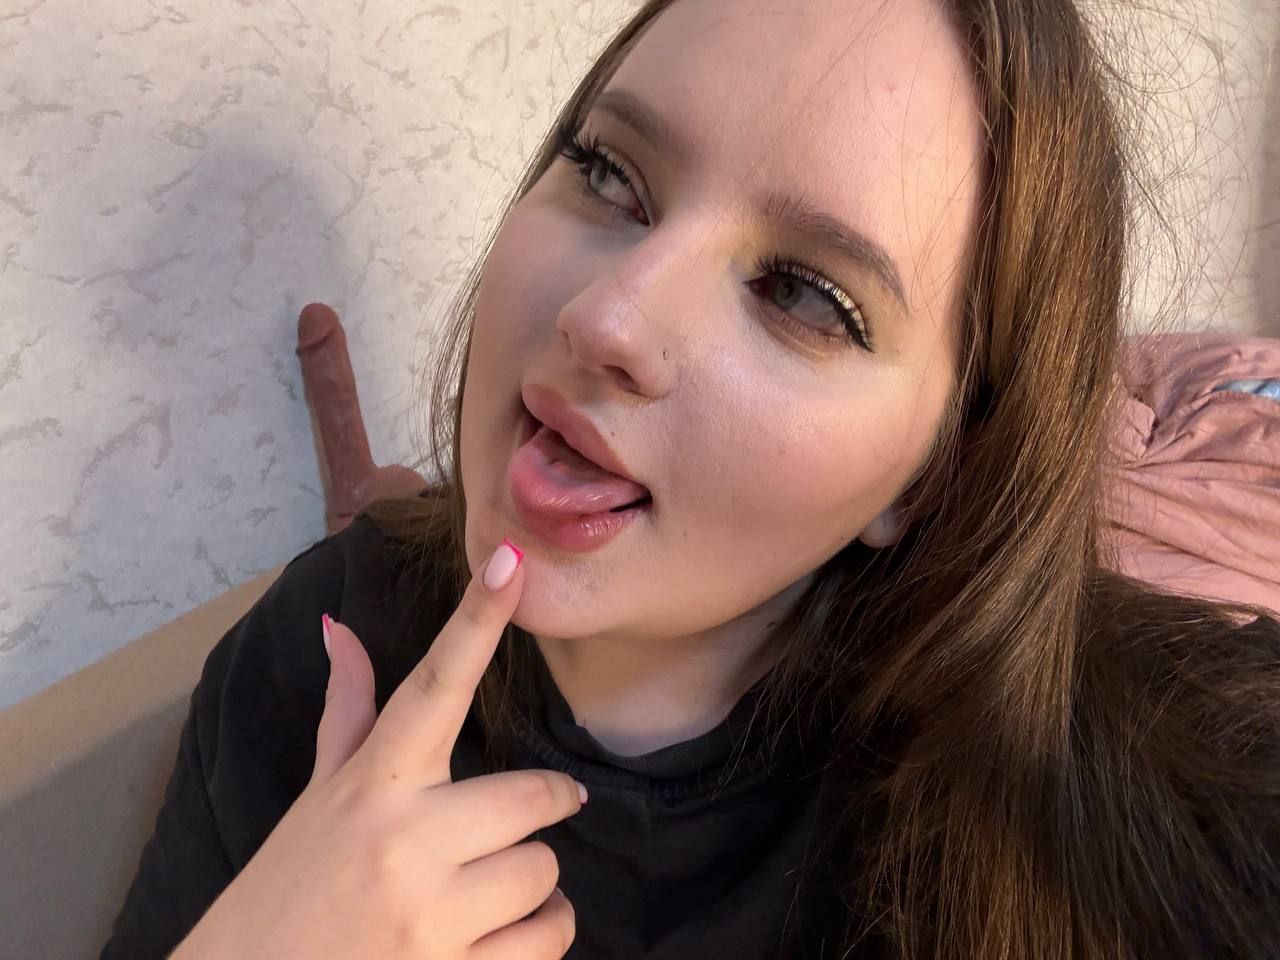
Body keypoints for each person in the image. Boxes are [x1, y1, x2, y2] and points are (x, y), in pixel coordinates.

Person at [101, 0, 1280, 957]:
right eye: (609, 173)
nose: (605, 317)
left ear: (931, 478)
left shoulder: (1170, 789)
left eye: (803, 295)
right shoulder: (316, 656)